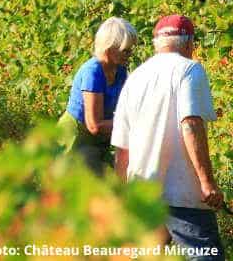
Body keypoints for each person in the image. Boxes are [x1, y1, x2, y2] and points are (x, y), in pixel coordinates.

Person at [112, 15, 224, 260]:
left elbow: (122, 148)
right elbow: (191, 124)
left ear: (156, 43)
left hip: (143, 191)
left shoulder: (136, 77)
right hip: (183, 192)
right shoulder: (189, 69)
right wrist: (206, 183)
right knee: (205, 256)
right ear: (189, 43)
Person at [57, 17, 138, 175]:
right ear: (109, 48)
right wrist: (135, 125)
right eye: (125, 50)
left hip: (99, 141)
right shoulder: (92, 72)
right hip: (75, 137)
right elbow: (94, 125)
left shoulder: (120, 70)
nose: (129, 54)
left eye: (130, 49)